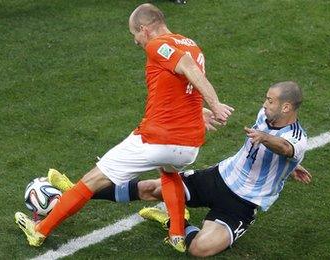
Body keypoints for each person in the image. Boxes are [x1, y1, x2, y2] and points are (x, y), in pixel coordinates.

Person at [14, 3, 233, 252]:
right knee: (169, 173)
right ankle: (176, 235)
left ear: (144, 29)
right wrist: (199, 111)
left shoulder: (157, 44)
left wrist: (214, 104)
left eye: (134, 34)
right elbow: (187, 85)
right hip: (189, 144)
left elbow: (188, 69)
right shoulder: (190, 44)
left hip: (156, 139)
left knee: (91, 180)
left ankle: (39, 231)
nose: (136, 41)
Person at [50, 81, 310, 256]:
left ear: (286, 107)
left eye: (270, 101)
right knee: (152, 187)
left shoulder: (297, 138)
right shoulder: (265, 116)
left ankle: (176, 221)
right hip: (220, 176)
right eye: (266, 99)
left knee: (200, 249)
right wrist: (291, 164)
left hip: (243, 203)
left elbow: (286, 148)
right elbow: (284, 152)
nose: (265, 104)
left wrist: (278, 149)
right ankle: (74, 192)